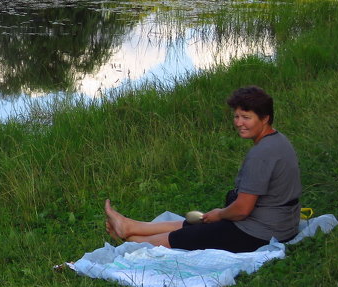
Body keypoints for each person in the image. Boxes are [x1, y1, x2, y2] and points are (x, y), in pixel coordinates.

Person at [103, 86, 302, 253]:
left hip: (260, 233)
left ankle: (129, 240)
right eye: (236, 116)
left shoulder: (262, 154)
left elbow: (242, 210)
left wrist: (221, 214)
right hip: (281, 225)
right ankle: (129, 226)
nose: (239, 123)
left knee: (185, 237)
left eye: (246, 117)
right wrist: (218, 216)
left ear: (265, 118)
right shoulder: (278, 140)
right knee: (201, 223)